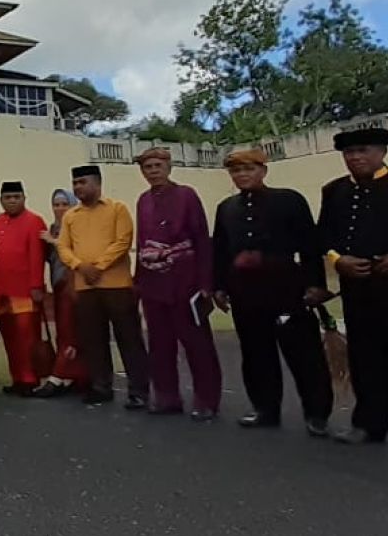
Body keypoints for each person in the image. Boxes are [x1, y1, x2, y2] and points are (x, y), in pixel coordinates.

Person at [214, 149, 331, 437]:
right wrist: (219, 286)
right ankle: (265, 408)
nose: (242, 175)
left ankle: (317, 414)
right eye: (236, 171)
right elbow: (219, 250)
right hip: (245, 292)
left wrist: (316, 285)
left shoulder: (289, 200)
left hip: (287, 289)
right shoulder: (226, 207)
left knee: (305, 354)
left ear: (263, 171)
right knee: (256, 354)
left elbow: (310, 246)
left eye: (248, 169)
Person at [133, 148, 221, 421]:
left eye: (158, 165)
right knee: (160, 343)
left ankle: (206, 399)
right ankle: (167, 397)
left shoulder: (186, 195)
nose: (153, 171)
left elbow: (201, 240)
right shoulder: (143, 201)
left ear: (169, 166)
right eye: (147, 167)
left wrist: (206, 283)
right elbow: (142, 243)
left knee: (197, 343)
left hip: (186, 279)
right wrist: (139, 282)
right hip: (153, 281)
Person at [57, 165, 150, 408]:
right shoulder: (70, 216)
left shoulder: (117, 209)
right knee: (93, 339)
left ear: (97, 183)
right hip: (85, 287)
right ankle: (101, 387)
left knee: (129, 338)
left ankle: (138, 390)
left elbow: (123, 241)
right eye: (75, 183)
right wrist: (80, 265)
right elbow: (63, 247)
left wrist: (98, 267)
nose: (78, 187)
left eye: (83, 182)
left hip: (116, 284)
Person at [319, 129, 388, 445]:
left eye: (363, 150)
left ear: (381, 151)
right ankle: (369, 423)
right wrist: (337, 260)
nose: (356, 157)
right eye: (349, 153)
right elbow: (324, 237)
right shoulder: (334, 191)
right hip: (357, 286)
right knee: (363, 356)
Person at [0, 181, 48, 397]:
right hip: (1, 292)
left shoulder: (34, 221)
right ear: (1, 200)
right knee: (10, 337)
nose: (12, 201)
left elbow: (37, 257)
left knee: (27, 336)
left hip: (25, 291)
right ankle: (17, 378)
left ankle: (30, 379)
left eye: (16, 197)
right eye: (7, 197)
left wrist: (37, 286)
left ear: (24, 198)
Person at [35, 189, 87, 397]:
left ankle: (58, 375)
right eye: (56, 204)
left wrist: (54, 242)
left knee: (70, 331)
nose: (59, 208)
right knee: (65, 331)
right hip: (58, 283)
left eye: (65, 204)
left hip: (74, 282)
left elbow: (80, 252)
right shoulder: (55, 228)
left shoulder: (78, 225)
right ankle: (73, 375)